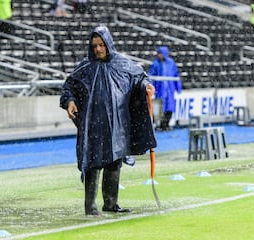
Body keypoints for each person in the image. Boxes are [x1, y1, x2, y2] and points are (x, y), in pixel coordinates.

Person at [60, 26, 156, 216]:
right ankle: (90, 206)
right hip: (92, 124)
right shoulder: (85, 67)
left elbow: (140, 78)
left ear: (108, 44)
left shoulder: (123, 64)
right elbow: (68, 87)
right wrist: (70, 101)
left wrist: (146, 86)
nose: (97, 49)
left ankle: (111, 203)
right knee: (93, 163)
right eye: (94, 46)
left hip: (118, 125)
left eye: (101, 45)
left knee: (114, 162)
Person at [149, 46, 182, 131]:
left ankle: (166, 124)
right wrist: (150, 87)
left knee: (169, 107)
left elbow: (175, 75)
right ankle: (159, 124)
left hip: (169, 89)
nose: (159, 55)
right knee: (160, 107)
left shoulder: (171, 63)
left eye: (160, 53)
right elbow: (151, 76)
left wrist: (178, 87)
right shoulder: (155, 63)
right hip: (160, 89)